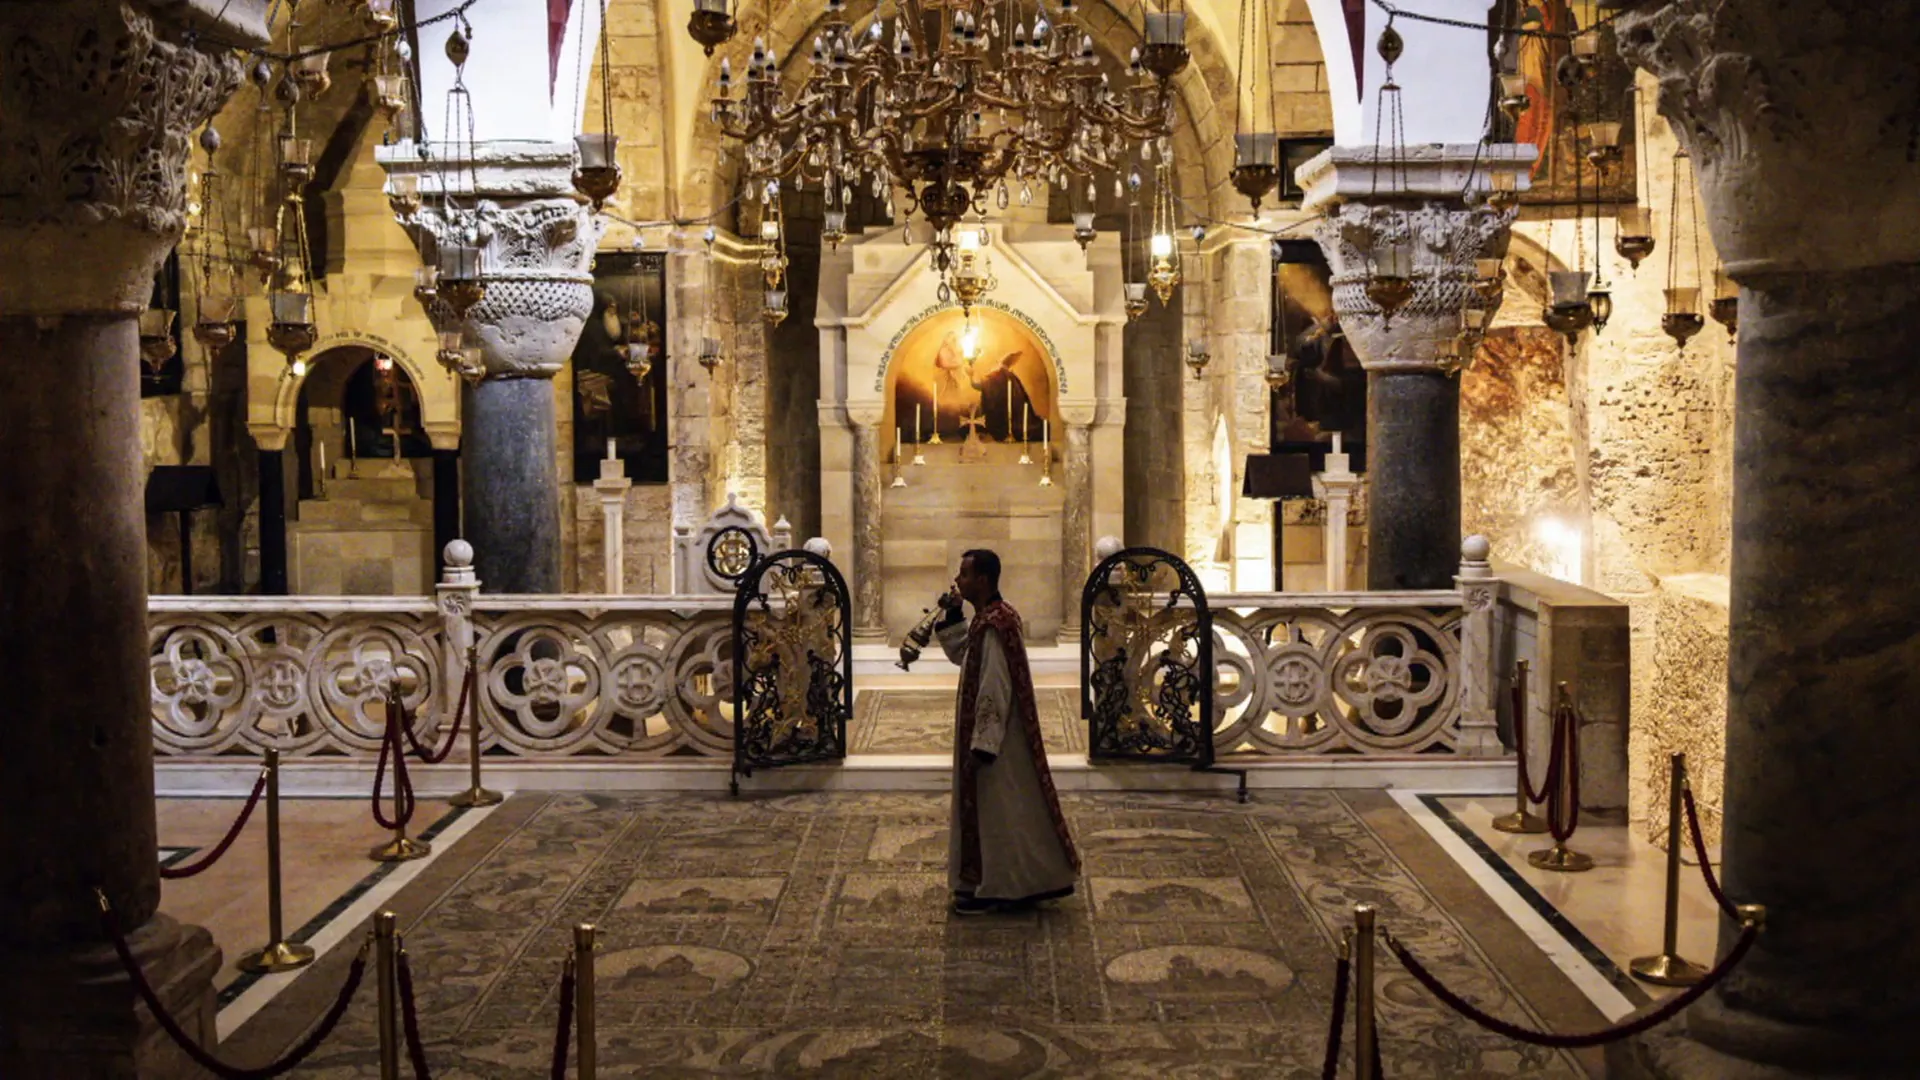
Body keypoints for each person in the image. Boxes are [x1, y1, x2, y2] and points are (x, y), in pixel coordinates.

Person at [935, 549, 1080, 915]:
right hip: (994, 735)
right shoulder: (988, 619)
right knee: (998, 809)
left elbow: (995, 684)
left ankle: (1000, 887)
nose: (958, 580)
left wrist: (984, 742)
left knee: (999, 811)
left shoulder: (997, 623)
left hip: (999, 741)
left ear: (982, 579)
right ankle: (995, 881)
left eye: (964, 574)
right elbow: (966, 657)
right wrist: (954, 614)